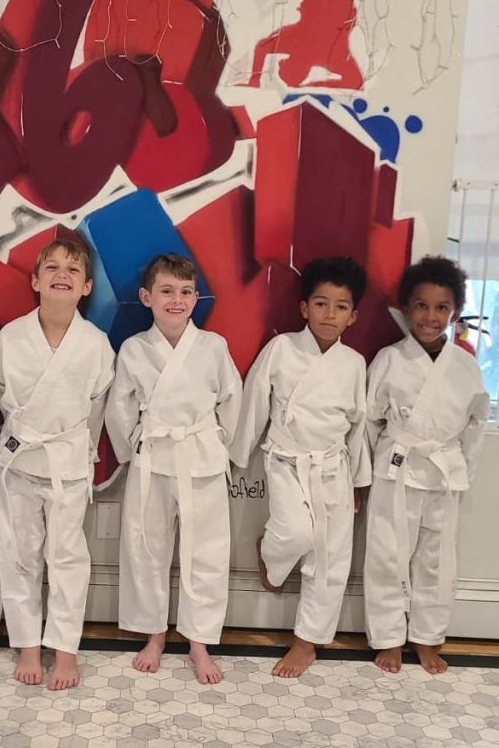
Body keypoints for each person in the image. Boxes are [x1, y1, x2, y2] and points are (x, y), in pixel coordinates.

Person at [105, 254, 243, 684]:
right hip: (154, 457)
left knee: (207, 552)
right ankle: (154, 634)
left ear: (196, 297)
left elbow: (232, 399)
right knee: (147, 548)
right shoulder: (134, 349)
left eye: (185, 292)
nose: (176, 300)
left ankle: (198, 641)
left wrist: (219, 444)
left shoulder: (213, 346)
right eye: (166, 291)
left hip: (201, 455)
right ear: (147, 297)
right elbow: (119, 407)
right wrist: (134, 447)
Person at [234, 257, 371, 677]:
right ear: (304, 307)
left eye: (341, 307)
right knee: (295, 532)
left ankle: (307, 642)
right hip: (287, 460)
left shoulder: (354, 363)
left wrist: (358, 481)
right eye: (321, 303)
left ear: (353, 315)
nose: (329, 314)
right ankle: (270, 554)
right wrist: (237, 455)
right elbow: (255, 401)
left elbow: (358, 425)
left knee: (331, 558)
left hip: (333, 465)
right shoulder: (282, 349)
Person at [0, 238, 115, 690]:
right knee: (20, 555)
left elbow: (98, 405)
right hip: (20, 460)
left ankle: (65, 650)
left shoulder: (96, 344)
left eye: (73, 269)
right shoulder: (11, 337)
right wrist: (26, 430)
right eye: (53, 267)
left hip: (67, 463)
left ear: (86, 287)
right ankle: (27, 644)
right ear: (35, 280)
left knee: (67, 559)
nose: (62, 274)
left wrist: (80, 450)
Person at [364, 256, 489, 674]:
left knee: (436, 559)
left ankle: (427, 637)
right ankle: (388, 637)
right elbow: (369, 418)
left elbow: (475, 424)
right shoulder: (389, 359)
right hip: (396, 468)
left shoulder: (466, 366)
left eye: (441, 307)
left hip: (443, 471)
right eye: (421, 305)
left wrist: (462, 468)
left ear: (455, 312)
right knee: (387, 554)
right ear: (406, 307)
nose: (430, 317)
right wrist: (372, 467)